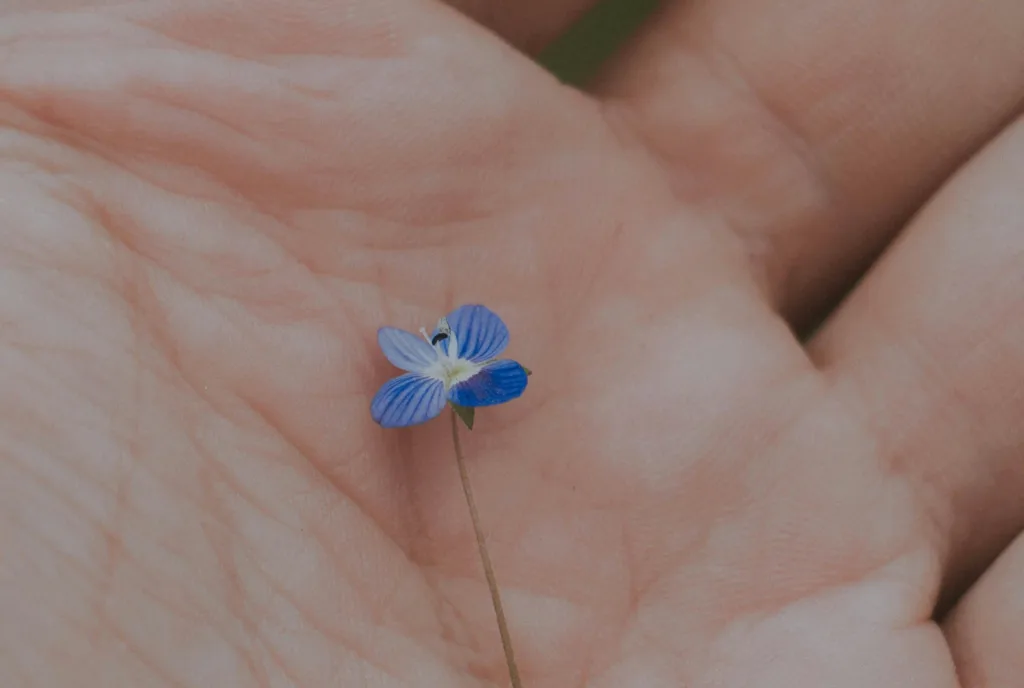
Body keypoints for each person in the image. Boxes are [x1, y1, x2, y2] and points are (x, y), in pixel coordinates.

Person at [0, 0, 1021, 685]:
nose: (448, 361)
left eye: (455, 360)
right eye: (443, 360)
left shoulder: (459, 380)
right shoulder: (424, 387)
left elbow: (486, 366)